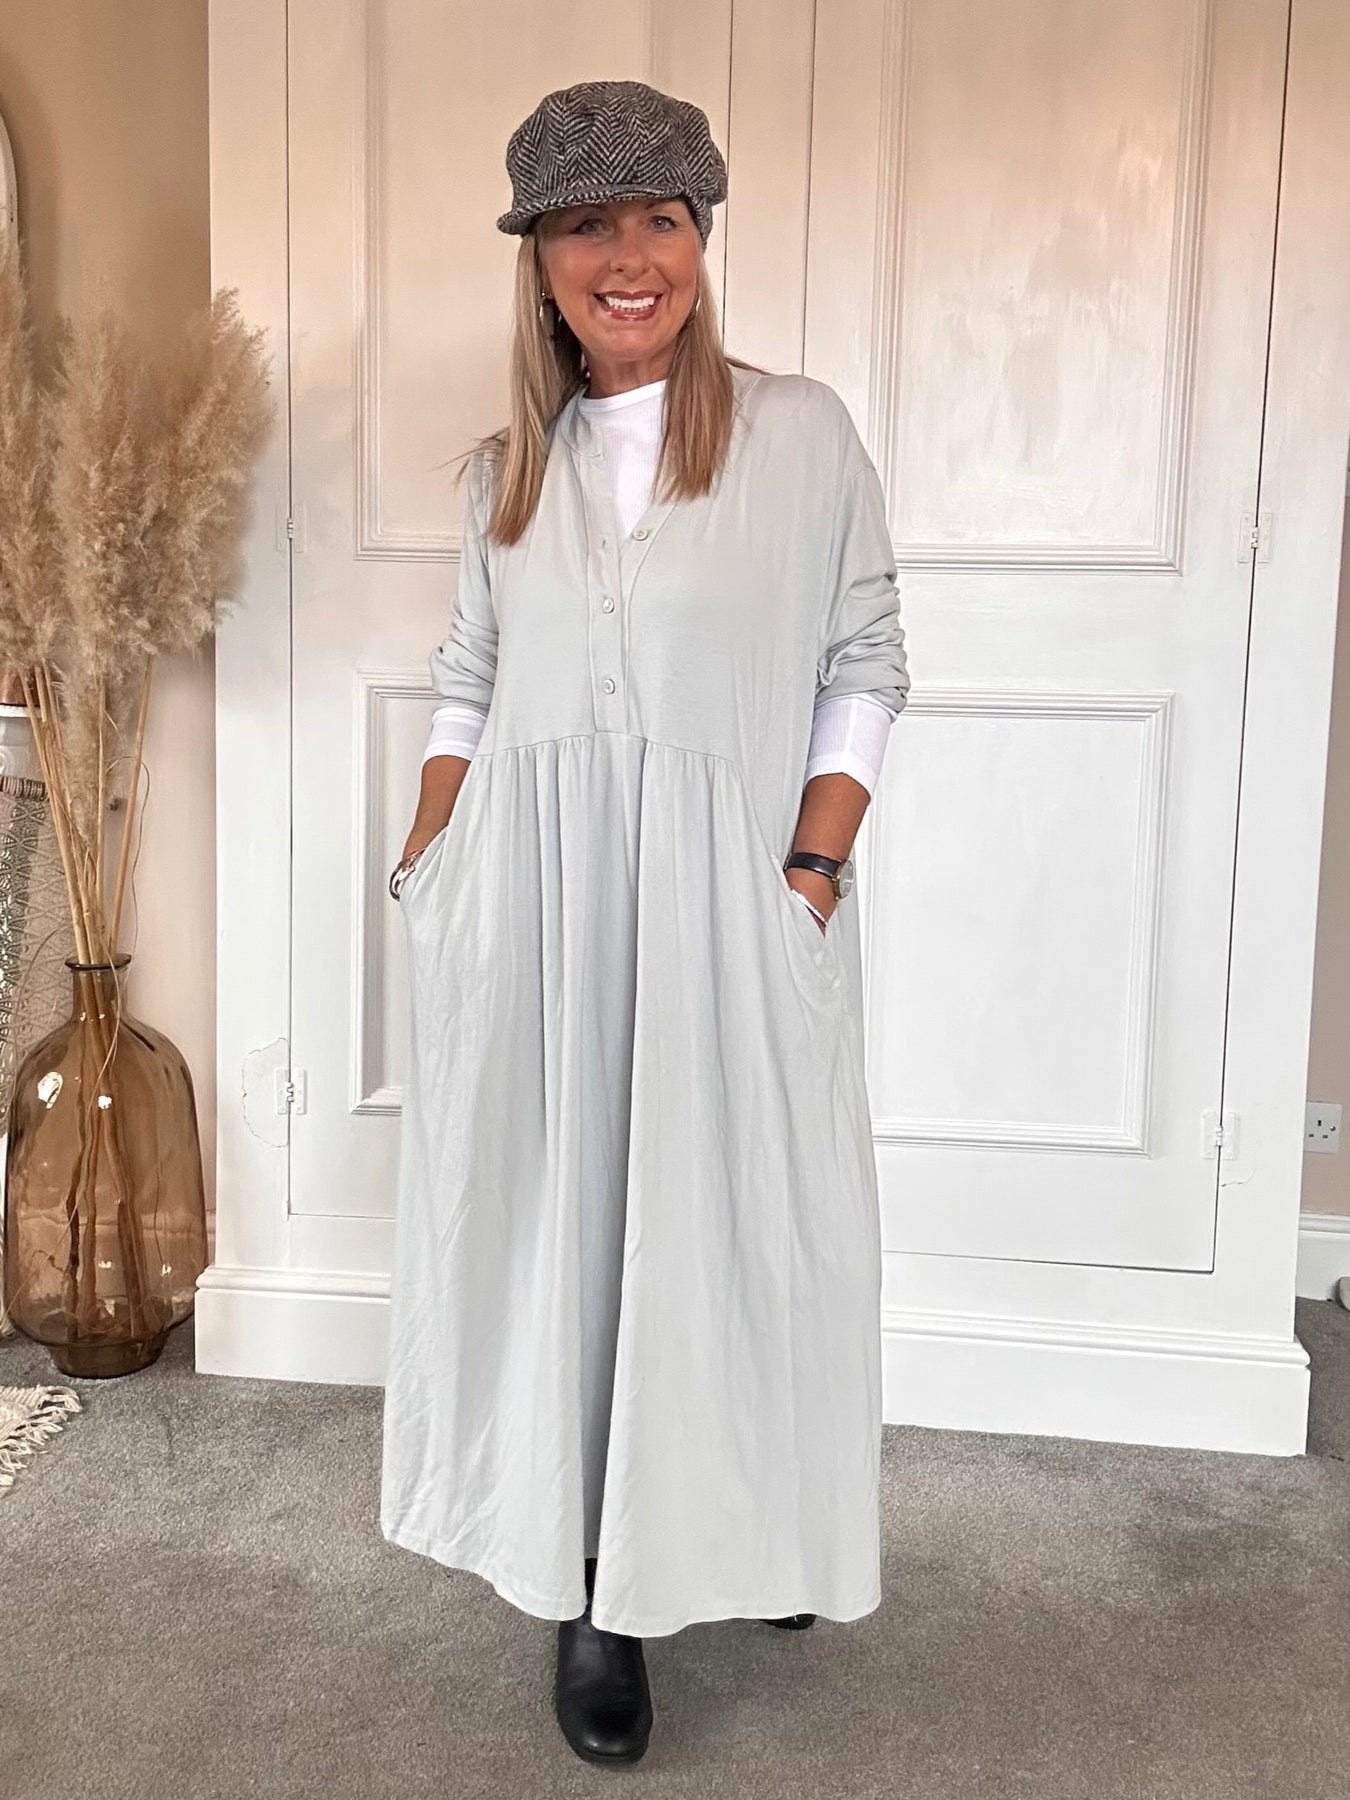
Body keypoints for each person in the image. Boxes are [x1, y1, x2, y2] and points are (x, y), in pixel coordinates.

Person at [380, 78, 912, 1768]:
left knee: (742, 1228)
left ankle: (745, 1524)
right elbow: (468, 678)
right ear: (538, 259)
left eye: (660, 220)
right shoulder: (507, 473)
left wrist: (809, 874)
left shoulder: (799, 437)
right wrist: (432, 859)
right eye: (588, 225)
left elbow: (864, 658)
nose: (630, 258)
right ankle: (595, 1589)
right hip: (535, 918)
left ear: (699, 239)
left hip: (731, 902)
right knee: (576, 1241)